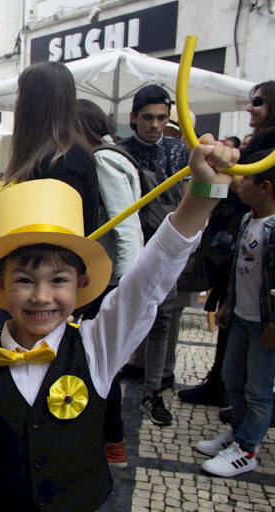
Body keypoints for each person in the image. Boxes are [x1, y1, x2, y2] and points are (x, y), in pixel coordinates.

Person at [0, 137, 239, 510]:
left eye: (58, 280)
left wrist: (201, 196)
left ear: (81, 284)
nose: (42, 296)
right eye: (25, 281)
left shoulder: (97, 345)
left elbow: (147, 283)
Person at [180, 81, 275, 409]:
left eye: (258, 101)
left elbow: (250, 185)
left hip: (246, 239)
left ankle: (245, 401)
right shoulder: (262, 139)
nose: (250, 107)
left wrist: (221, 176)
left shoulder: (269, 143)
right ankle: (228, 389)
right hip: (237, 235)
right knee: (232, 319)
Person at [194, 150, 275, 477]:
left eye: (247, 178)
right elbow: (240, 270)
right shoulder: (247, 220)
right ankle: (238, 433)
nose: (239, 182)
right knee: (232, 378)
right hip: (241, 317)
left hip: (264, 325)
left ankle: (247, 448)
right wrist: (227, 303)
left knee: (258, 390)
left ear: (265, 187)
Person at [0, 62, 99, 247]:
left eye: (19, 93)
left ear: (31, 103)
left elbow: (53, 243)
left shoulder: (64, 159)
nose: (15, 102)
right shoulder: (52, 155)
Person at [77, 99, 144, 468]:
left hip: (110, 280)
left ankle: (112, 441)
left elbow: (126, 225)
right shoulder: (115, 155)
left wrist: (126, 287)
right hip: (109, 278)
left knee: (100, 359)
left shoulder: (103, 160)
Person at [119, 84, 190, 426]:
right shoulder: (121, 151)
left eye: (162, 118)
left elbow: (189, 194)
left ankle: (153, 390)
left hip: (167, 248)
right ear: (133, 117)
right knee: (123, 314)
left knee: (163, 319)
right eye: (148, 118)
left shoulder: (178, 150)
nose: (155, 125)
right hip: (131, 247)